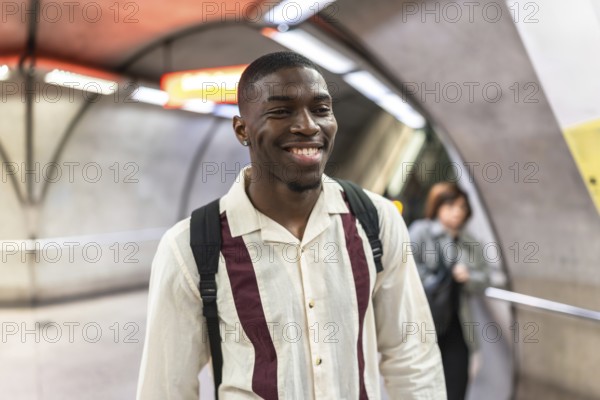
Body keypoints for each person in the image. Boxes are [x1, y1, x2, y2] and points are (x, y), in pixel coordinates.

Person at [136, 51, 446, 399]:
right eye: (281, 111)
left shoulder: (374, 221)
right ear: (242, 130)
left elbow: (411, 356)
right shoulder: (192, 248)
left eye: (321, 109)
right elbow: (166, 389)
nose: (308, 125)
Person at [408, 182, 490, 400]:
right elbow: (407, 268)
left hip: (457, 322)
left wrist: (468, 277)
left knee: (456, 385)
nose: (457, 212)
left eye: (462, 207)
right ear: (438, 206)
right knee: (422, 387)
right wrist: (437, 280)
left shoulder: (468, 241)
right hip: (425, 320)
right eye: (451, 205)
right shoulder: (421, 231)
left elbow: (485, 278)